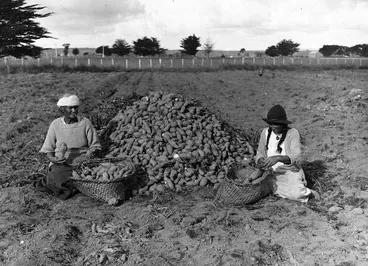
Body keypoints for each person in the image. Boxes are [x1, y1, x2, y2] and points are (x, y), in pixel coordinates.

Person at [35, 93, 101, 199]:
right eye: (70, 108)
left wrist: (91, 152)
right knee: (57, 176)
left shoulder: (85, 123)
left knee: (90, 174)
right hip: (62, 163)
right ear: (62, 109)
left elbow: (95, 145)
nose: (74, 111)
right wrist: (54, 159)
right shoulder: (55, 125)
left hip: (82, 161)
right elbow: (48, 150)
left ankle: (76, 184)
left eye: (75, 108)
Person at [254, 104, 319, 203]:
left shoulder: (292, 133)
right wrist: (261, 160)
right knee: (259, 188)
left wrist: (278, 158)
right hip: (270, 172)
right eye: (271, 124)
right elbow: (260, 152)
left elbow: (295, 156)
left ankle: (310, 193)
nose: (273, 127)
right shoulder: (265, 132)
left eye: (276, 124)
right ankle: (278, 189)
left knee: (297, 193)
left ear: (283, 124)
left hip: (289, 171)